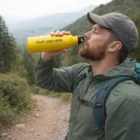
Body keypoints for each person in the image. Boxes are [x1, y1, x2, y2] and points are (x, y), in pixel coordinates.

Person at [35, 12, 140, 140]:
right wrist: (47, 55)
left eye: (95, 31)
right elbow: (45, 80)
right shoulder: (81, 73)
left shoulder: (127, 98)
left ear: (114, 46)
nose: (86, 34)